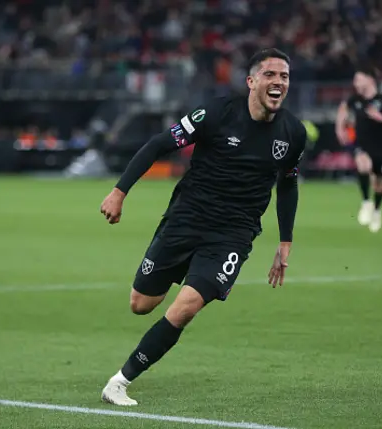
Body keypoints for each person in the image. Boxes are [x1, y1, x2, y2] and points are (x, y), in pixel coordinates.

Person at [98, 48, 306, 406]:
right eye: (271, 75)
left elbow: (288, 184)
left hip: (234, 233)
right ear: (251, 81)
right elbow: (159, 144)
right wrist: (120, 191)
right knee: (141, 304)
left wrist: (285, 241)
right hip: (187, 217)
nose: (278, 82)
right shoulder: (216, 113)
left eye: (284, 76)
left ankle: (120, 381)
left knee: (186, 307)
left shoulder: (293, 133)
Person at [335, 70, 382, 233]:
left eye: (358, 79)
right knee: (363, 164)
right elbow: (343, 109)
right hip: (361, 145)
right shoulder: (355, 100)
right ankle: (366, 202)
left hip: (381, 147)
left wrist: (380, 117)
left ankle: (377, 210)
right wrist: (340, 128)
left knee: (379, 184)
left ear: (370, 80)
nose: (356, 83)